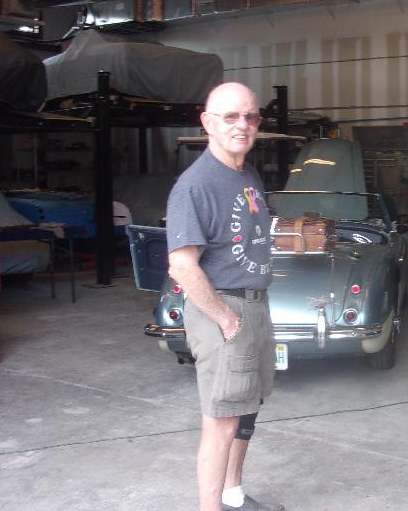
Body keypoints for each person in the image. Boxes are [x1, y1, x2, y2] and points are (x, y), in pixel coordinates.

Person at [166, 82, 283, 511]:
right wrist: (226, 319)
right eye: (231, 116)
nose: (242, 125)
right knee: (221, 422)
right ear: (207, 123)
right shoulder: (195, 186)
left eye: (250, 116)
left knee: (247, 407)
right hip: (224, 309)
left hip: (253, 303)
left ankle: (233, 495)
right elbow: (182, 266)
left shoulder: (246, 173)